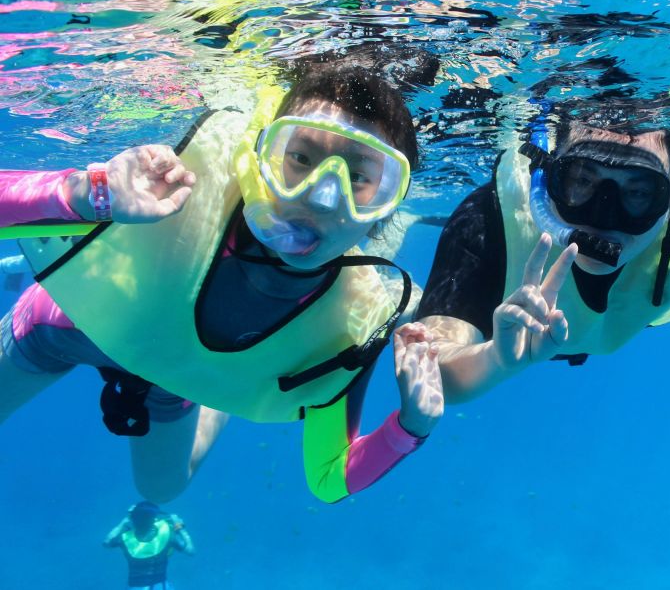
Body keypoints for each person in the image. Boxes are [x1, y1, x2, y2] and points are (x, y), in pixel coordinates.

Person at [0, 54, 444, 503]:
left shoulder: (354, 322)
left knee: (160, 490)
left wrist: (411, 427)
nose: (323, 197)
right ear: (261, 161)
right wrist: (86, 194)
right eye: (301, 157)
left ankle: (234, 373)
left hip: (176, 379)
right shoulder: (178, 187)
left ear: (384, 211)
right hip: (58, 327)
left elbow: (329, 478)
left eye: (358, 178)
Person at [416, 101, 670, 425]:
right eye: (581, 181)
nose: (605, 219)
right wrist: (495, 360)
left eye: (638, 193)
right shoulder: (487, 219)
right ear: (548, 177)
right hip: (511, 324)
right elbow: (432, 378)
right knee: (411, 323)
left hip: (633, 315)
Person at [104, 501, 194, 590]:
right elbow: (190, 550)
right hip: (161, 587)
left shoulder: (125, 538)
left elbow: (106, 542)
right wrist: (180, 526)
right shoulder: (166, 533)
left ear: (133, 519)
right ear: (153, 519)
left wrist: (123, 522)